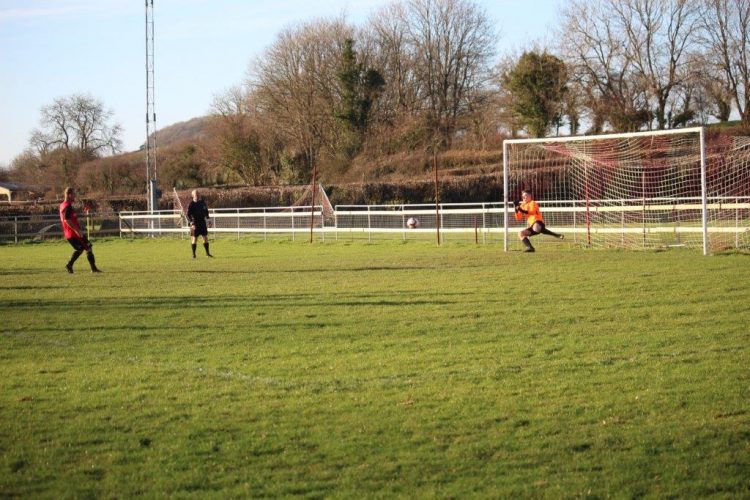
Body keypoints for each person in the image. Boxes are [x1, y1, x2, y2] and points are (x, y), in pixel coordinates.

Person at [59, 187, 102, 273]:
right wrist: (77, 230)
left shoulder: (62, 205)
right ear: (69, 194)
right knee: (88, 247)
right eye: (73, 194)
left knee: (80, 249)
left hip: (69, 233)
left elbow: (71, 216)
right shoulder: (67, 206)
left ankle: (69, 265)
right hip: (74, 233)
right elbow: (67, 220)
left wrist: (83, 215)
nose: (75, 196)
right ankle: (93, 269)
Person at [186, 189, 213, 258]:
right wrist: (192, 223)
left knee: (205, 237)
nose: (197, 195)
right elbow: (188, 215)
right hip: (195, 223)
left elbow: (206, 212)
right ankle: (194, 255)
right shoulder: (191, 204)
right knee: (194, 239)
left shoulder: (202, 203)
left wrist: (209, 220)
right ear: (193, 196)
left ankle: (207, 254)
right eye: (196, 194)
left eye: (198, 194)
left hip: (202, 222)